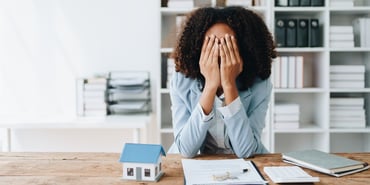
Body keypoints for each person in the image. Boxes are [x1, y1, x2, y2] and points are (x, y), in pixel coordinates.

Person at [167, 6, 276, 158]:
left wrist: (229, 84)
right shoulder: (181, 81)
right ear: (198, 45)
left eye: (227, 43)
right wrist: (210, 86)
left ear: (244, 47)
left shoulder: (260, 84)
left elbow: (246, 150)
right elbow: (185, 149)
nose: (218, 51)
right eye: (210, 43)